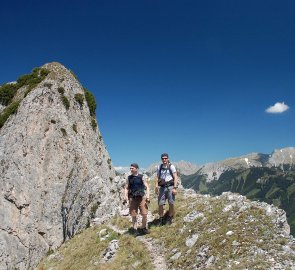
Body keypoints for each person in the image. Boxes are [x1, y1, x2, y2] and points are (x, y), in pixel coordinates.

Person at [123, 163, 150, 235]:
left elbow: (147, 187)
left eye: (132, 168)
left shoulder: (142, 177)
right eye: (130, 168)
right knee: (133, 214)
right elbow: (126, 188)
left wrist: (148, 196)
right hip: (132, 198)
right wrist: (125, 196)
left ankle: (144, 228)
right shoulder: (129, 178)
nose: (131, 169)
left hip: (141, 198)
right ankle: (135, 230)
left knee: (144, 214)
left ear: (136, 169)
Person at [155, 153, 178, 225]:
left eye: (165, 158)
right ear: (161, 159)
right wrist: (156, 186)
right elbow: (157, 177)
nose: (164, 159)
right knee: (160, 204)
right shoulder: (159, 167)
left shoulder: (172, 166)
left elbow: (175, 177)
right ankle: (161, 218)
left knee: (171, 203)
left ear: (168, 158)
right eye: (163, 158)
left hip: (170, 187)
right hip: (162, 187)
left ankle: (170, 217)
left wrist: (174, 188)